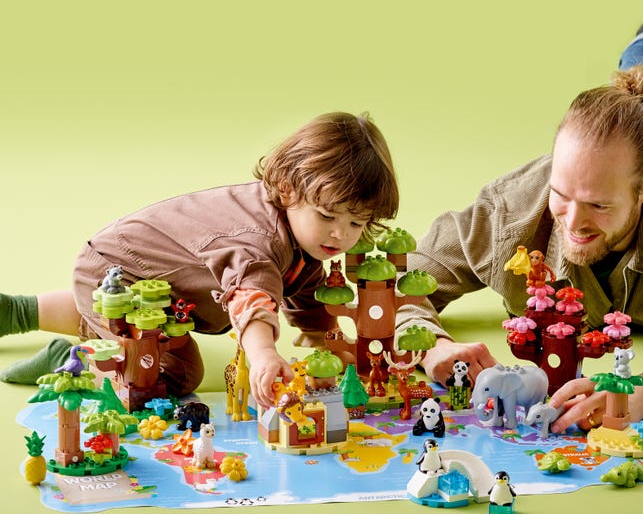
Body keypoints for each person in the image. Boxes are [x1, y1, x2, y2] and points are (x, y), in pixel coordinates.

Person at [395, 20, 643, 433]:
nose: (573, 223)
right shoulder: (509, 214)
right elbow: (400, 279)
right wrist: (432, 345)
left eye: (598, 204)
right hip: (636, 151)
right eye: (562, 194)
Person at [1, 111, 400, 408]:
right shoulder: (258, 242)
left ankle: (19, 311)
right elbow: (252, 296)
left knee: (123, 320)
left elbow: (307, 290)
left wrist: (323, 334)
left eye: (356, 222)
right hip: (119, 277)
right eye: (327, 216)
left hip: (122, 268)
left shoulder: (304, 237)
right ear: (287, 189)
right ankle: (72, 363)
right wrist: (263, 353)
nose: (340, 235)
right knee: (178, 373)